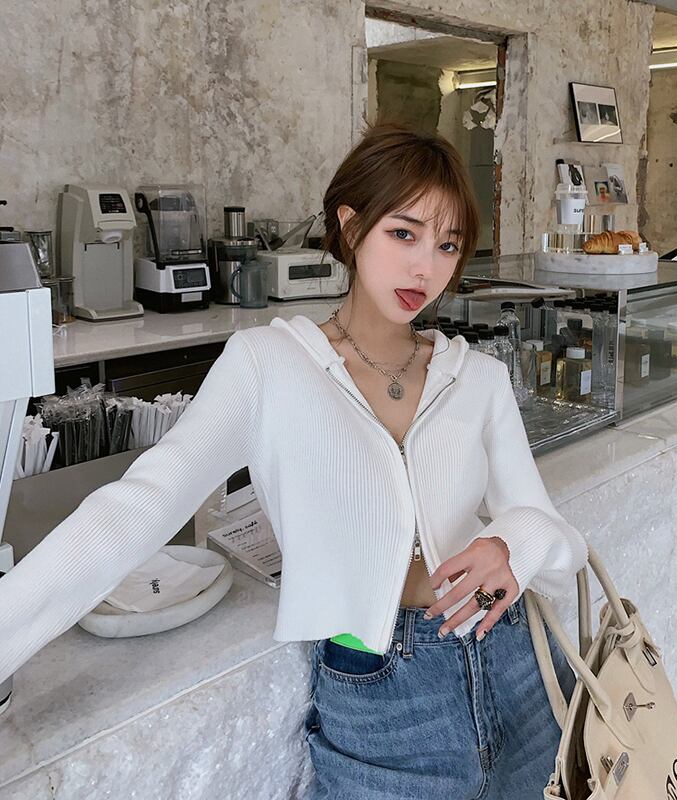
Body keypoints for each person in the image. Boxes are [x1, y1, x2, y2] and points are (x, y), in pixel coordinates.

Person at [0, 123, 587, 798]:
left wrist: (510, 544)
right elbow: (137, 509)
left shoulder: (476, 376)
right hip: (381, 694)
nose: (426, 268)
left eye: (447, 245)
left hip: (516, 667)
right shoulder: (268, 365)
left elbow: (557, 537)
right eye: (404, 234)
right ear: (351, 225)